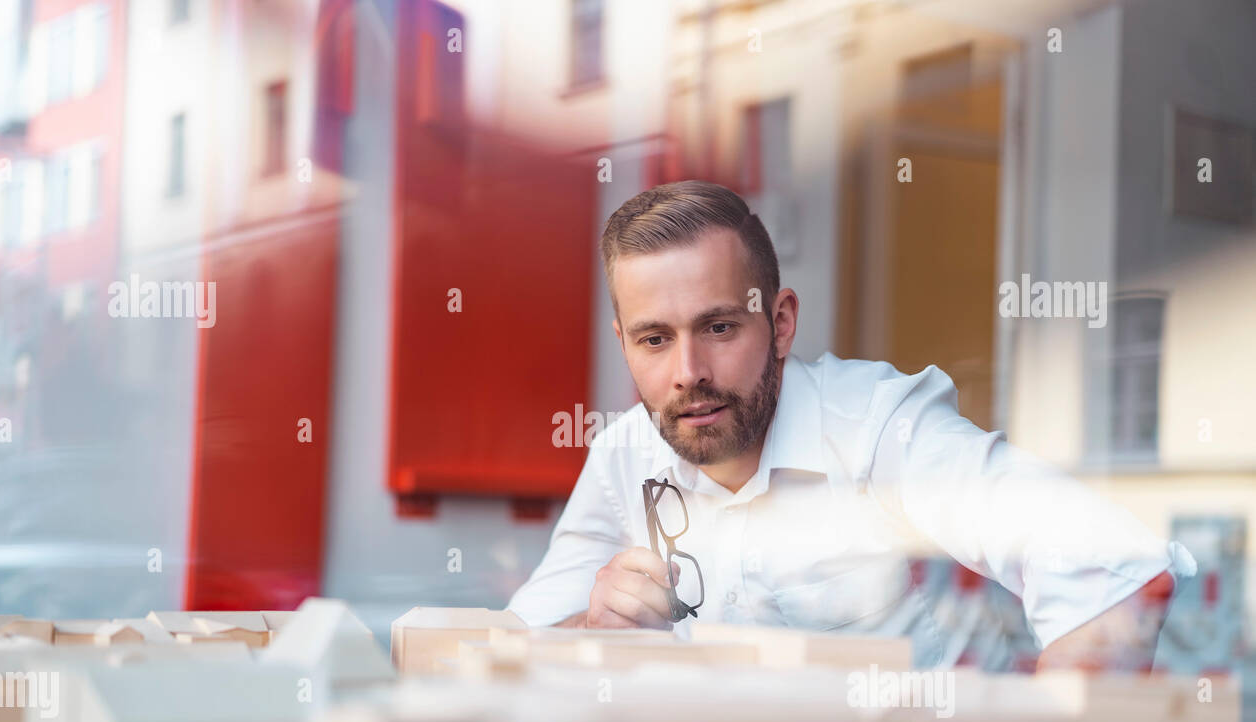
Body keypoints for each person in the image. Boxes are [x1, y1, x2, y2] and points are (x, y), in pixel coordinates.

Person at [506, 181, 1194, 670]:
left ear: (779, 324)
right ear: (624, 343)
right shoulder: (626, 453)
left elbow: (1120, 571)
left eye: (718, 327)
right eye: (655, 340)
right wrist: (591, 629)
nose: (688, 372)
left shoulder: (879, 427)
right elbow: (518, 642)